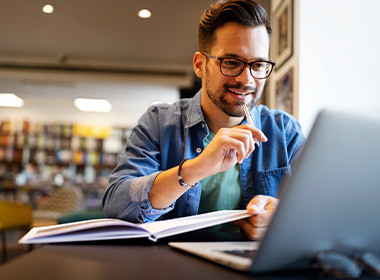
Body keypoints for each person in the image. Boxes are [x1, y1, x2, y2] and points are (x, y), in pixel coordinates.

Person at [102, 0, 305, 240]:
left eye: (258, 64)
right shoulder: (158, 122)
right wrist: (195, 169)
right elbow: (116, 205)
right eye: (231, 62)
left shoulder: (285, 132)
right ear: (200, 65)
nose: (246, 79)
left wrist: (283, 221)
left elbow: (321, 213)